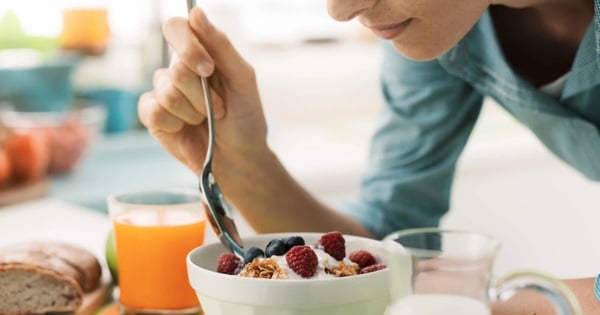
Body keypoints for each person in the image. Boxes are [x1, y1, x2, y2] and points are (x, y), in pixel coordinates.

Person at [137, 0, 599, 313]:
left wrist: (483, 305)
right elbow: (379, 251)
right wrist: (241, 162)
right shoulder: (443, 23)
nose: (340, 10)